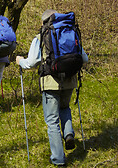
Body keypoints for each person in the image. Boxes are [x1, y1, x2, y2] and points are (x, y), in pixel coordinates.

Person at [16, 9, 89, 166]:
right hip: (70, 80)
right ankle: (69, 133)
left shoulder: (41, 36)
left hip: (50, 82)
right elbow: (85, 58)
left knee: (52, 121)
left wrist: (20, 61)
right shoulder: (71, 32)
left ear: (43, 22)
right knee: (65, 108)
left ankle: (58, 159)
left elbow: (32, 62)